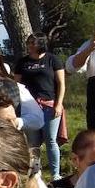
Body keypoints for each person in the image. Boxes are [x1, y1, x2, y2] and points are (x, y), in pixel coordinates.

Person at [17, 34, 67, 175]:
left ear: (41, 44)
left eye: (33, 43)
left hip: (50, 105)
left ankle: (55, 175)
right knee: (33, 143)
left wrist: (59, 104)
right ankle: (35, 174)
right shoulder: (22, 63)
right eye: (29, 42)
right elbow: (17, 85)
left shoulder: (53, 60)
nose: (30, 45)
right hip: (29, 107)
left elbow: (61, 84)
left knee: (51, 140)